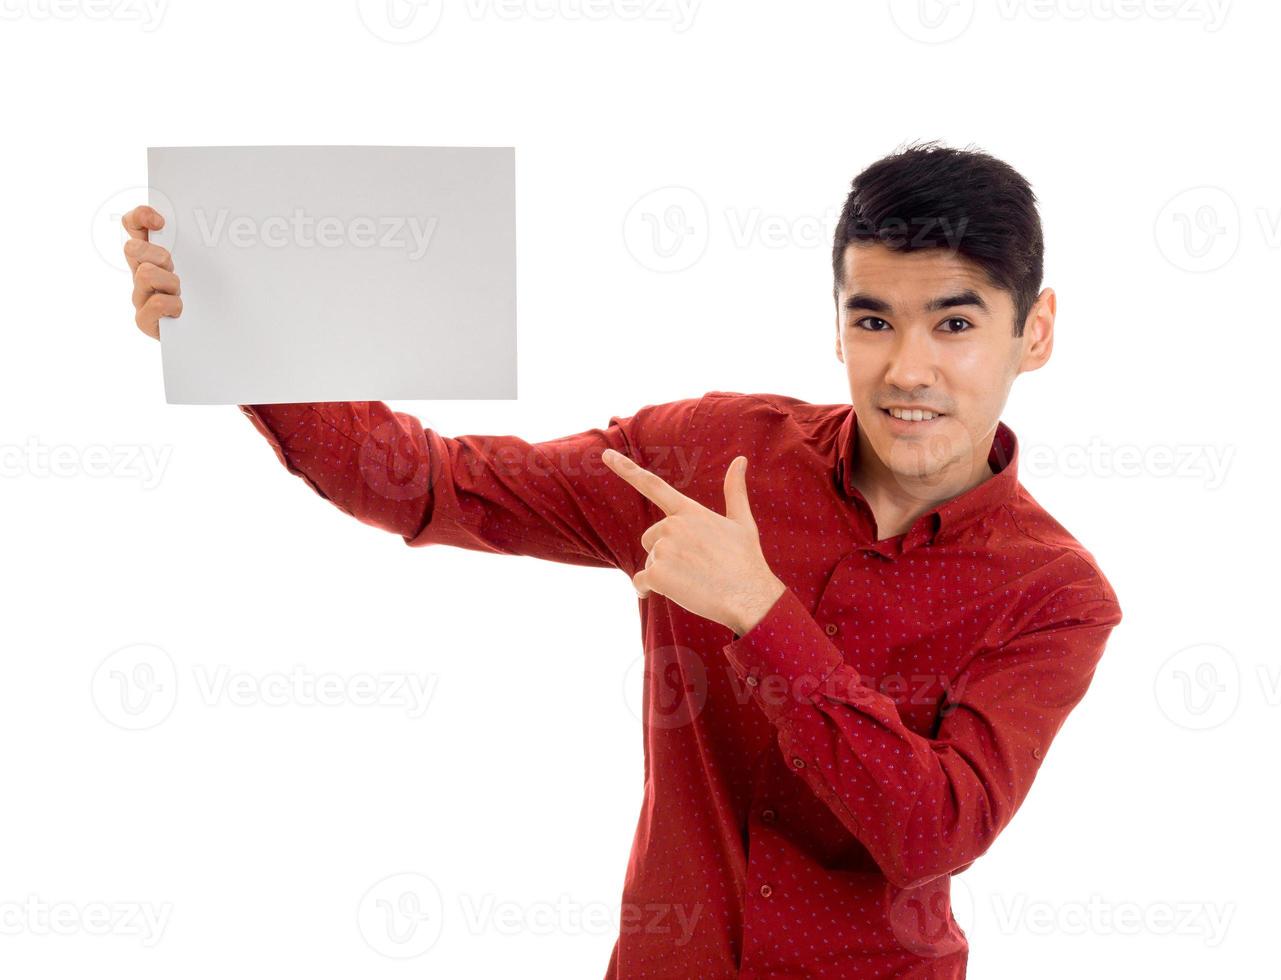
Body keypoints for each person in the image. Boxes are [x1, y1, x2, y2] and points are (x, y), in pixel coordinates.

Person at [121, 140, 1123, 979]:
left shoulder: (1057, 593)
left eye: (955, 323)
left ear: (1032, 332)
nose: (909, 368)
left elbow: (931, 830)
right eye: (874, 320)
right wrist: (236, 329)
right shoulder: (712, 450)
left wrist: (760, 611)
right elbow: (431, 485)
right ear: (839, 327)